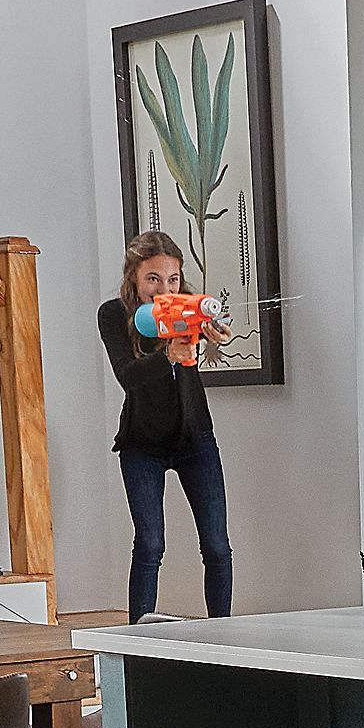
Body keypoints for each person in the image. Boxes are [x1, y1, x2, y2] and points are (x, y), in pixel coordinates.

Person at [100, 231, 234, 620]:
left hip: (196, 440)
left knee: (216, 545)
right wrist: (169, 356)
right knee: (150, 544)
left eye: (172, 279)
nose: (163, 288)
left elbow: (215, 332)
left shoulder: (187, 308)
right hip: (142, 443)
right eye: (153, 279)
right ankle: (138, 643)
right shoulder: (113, 314)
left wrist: (213, 336)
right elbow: (128, 376)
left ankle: (222, 635)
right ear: (134, 279)